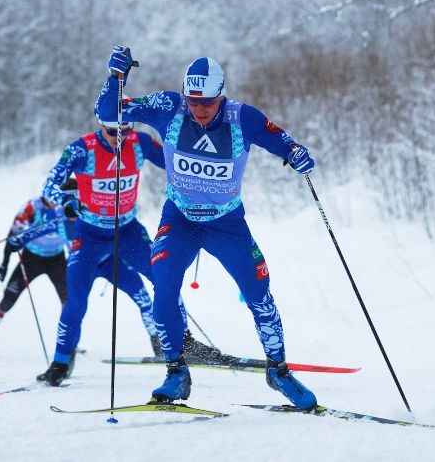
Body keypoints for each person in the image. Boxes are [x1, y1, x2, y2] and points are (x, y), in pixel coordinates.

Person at [99, 46, 319, 410]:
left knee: (259, 293)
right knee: (164, 285)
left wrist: (295, 153)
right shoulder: (169, 107)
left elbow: (278, 138)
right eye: (193, 101)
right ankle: (175, 373)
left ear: (222, 95)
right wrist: (116, 78)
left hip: (226, 223)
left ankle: (278, 371)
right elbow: (108, 112)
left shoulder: (242, 118)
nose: (199, 109)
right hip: (180, 219)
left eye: (207, 102)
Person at [37, 117, 219, 386]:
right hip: (89, 236)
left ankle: (183, 343)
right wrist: (67, 200)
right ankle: (61, 362)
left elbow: (177, 163)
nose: (119, 138)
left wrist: (199, 182)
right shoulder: (81, 149)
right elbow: (49, 185)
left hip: (128, 231)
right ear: (100, 126)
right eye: (112, 132)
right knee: (76, 300)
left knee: (165, 279)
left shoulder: (140, 143)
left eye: (125, 130)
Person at [0, 178, 79, 354]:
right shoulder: (32, 207)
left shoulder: (69, 209)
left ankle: (69, 342)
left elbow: (76, 238)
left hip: (57, 260)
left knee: (69, 301)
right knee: (8, 300)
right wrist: (4, 264)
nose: (57, 203)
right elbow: (12, 237)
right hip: (31, 259)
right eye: (55, 197)